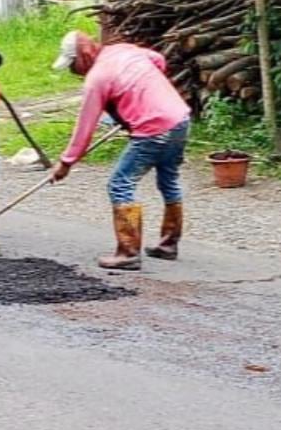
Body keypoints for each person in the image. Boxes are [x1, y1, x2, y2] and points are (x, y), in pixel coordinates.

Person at [50, 31, 191, 271]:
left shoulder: (97, 78)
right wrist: (138, 94)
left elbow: (85, 126)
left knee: (120, 183)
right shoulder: (124, 50)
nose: (74, 70)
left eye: (73, 64)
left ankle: (128, 252)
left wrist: (66, 163)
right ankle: (169, 244)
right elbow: (158, 60)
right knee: (169, 180)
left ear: (83, 56)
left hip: (153, 129)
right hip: (179, 119)